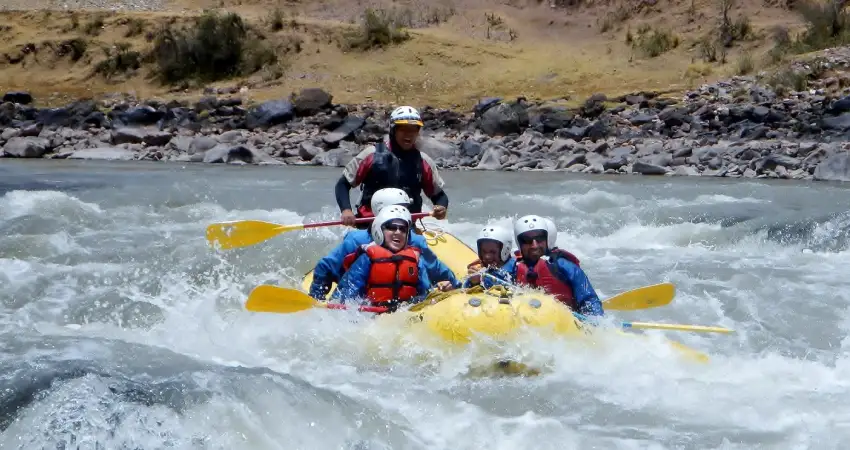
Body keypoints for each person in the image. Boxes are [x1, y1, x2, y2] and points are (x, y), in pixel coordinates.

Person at [309, 188, 458, 300]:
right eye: (392, 226)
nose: (407, 213)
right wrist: (317, 298)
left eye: (406, 209)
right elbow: (326, 268)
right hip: (365, 300)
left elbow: (436, 271)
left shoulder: (416, 243)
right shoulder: (356, 242)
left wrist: (457, 286)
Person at [334, 106, 449, 229]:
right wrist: (346, 210)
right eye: (404, 129)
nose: (409, 135)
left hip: (405, 229)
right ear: (393, 130)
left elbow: (439, 196)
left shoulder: (424, 161)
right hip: (369, 226)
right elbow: (343, 184)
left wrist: (441, 207)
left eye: (413, 130)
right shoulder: (370, 155)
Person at [331, 205, 435, 311]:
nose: (398, 232)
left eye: (403, 229)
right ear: (379, 230)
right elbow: (348, 294)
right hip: (371, 314)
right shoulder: (367, 259)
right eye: (392, 227)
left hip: (404, 313)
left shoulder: (416, 260)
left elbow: (425, 293)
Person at [511, 215, 604, 316]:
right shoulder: (513, 268)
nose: (535, 245)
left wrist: (594, 323)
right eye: (526, 240)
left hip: (567, 323)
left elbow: (589, 299)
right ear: (519, 243)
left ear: (546, 240)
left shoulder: (564, 266)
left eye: (540, 238)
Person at [463, 225, 516, 289]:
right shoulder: (484, 268)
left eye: (493, 252)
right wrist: (472, 282)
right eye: (484, 252)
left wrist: (480, 280)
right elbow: (464, 288)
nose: (487, 256)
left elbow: (507, 285)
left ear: (505, 250)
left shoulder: (515, 267)